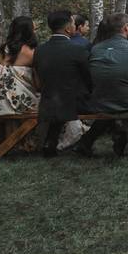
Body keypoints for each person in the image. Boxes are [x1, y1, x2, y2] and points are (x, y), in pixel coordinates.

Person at [75, 13, 128, 158]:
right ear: (126, 28)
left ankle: (123, 136)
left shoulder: (95, 50)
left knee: (121, 102)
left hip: (102, 104)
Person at [32, 10, 92, 157]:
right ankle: (86, 142)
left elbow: (38, 77)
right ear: (67, 28)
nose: (74, 25)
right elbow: (89, 77)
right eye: (73, 22)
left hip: (47, 101)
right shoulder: (77, 49)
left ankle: (50, 142)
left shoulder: (40, 50)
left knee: (59, 104)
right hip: (74, 102)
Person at [0, 16, 39, 116]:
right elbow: (37, 81)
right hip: (24, 99)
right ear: (29, 31)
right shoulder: (32, 52)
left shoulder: (4, 49)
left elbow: (0, 67)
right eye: (34, 29)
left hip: (0, 102)